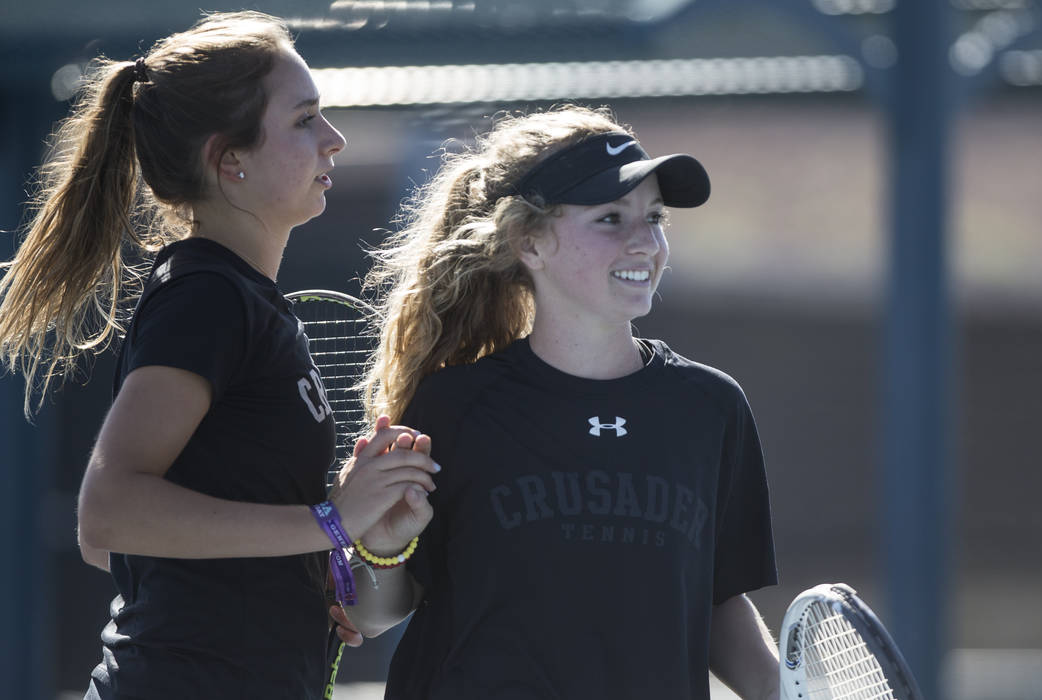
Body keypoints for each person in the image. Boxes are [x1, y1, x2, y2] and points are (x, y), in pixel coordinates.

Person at [0, 11, 438, 699]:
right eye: (303, 120)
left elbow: (119, 548)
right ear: (229, 160)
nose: (334, 139)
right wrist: (328, 520)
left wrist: (359, 546)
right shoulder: (207, 297)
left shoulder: (246, 302)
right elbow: (106, 514)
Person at [347, 105, 781, 699]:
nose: (645, 242)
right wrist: (384, 546)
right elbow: (372, 616)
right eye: (609, 218)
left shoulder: (711, 407)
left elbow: (718, 601)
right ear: (529, 243)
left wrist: (782, 692)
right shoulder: (457, 406)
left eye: (654, 217)